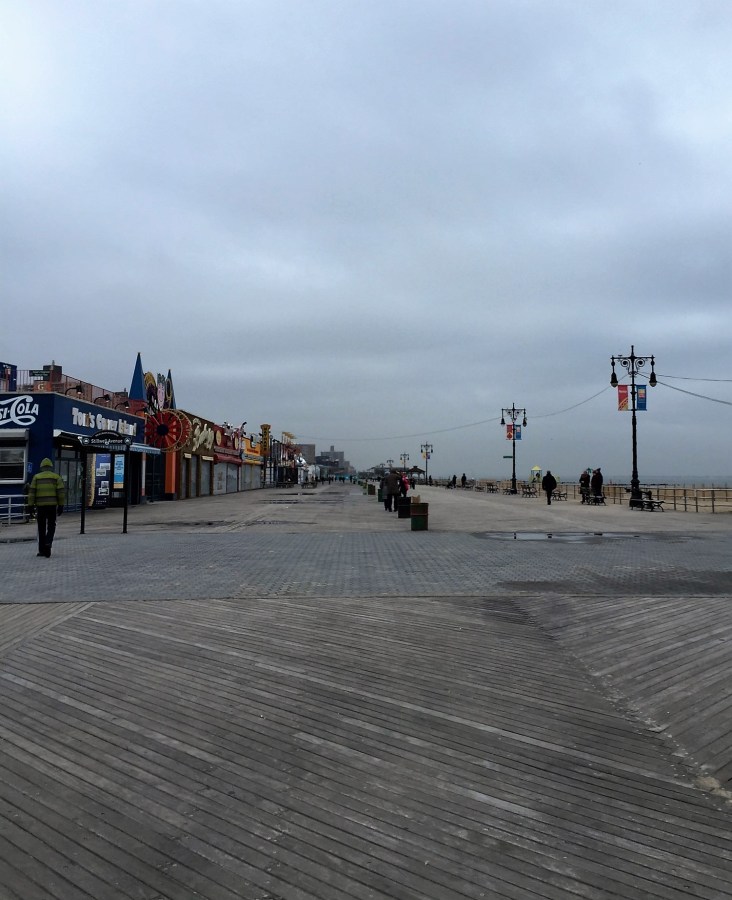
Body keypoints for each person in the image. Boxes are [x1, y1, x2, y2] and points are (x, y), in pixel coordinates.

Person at [28, 457, 65, 558]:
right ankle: (48, 542)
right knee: (52, 525)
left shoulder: (36, 477)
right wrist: (61, 505)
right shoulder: (56, 477)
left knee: (41, 528)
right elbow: (61, 493)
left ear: (41, 467)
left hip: (40, 507)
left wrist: (30, 506)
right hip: (52, 506)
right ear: (51, 467)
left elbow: (32, 493)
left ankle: (42, 550)